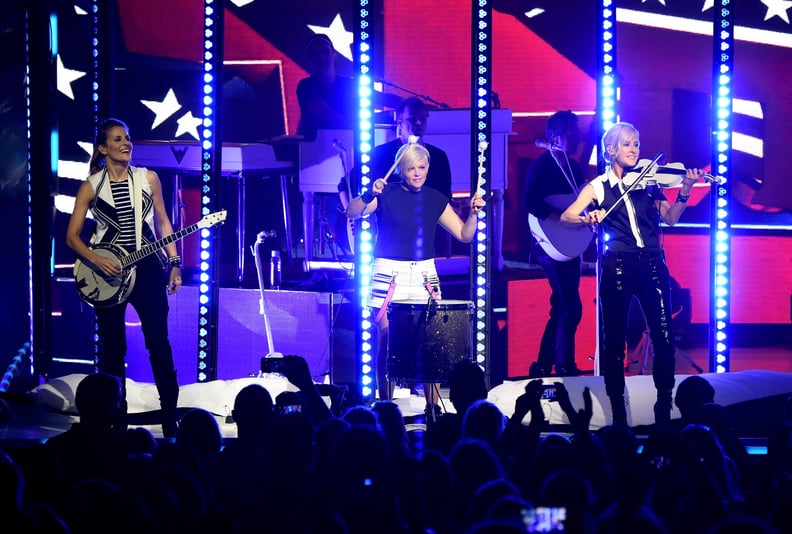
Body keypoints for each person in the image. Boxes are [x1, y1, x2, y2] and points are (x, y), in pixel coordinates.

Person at [560, 121, 703, 429]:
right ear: (611, 150)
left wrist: (685, 191)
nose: (634, 149)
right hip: (618, 267)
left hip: (652, 264)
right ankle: (618, 412)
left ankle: (663, 405)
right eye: (627, 144)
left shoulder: (650, 183)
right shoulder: (599, 185)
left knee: (664, 339)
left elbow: (672, 219)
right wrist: (588, 216)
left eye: (636, 144)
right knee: (614, 343)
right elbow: (567, 215)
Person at [345, 143, 484, 417]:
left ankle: (432, 406)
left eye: (421, 168)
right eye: (411, 168)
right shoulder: (386, 194)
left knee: (431, 340)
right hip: (388, 273)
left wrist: (475, 212)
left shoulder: (435, 198)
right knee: (386, 338)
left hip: (424, 276)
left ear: (428, 168)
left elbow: (465, 235)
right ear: (401, 170)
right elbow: (352, 211)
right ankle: (385, 405)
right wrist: (368, 193)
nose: (417, 173)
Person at [66, 118, 182, 438]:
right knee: (113, 348)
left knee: (158, 342)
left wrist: (174, 263)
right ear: (103, 148)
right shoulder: (91, 185)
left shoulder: (149, 178)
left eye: (128, 138)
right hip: (108, 273)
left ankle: (170, 414)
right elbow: (73, 237)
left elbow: (163, 222)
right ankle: (113, 417)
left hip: (146, 268)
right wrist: (96, 260)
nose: (126, 143)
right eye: (117, 140)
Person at [524, 110, 588, 378]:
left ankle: (542, 364)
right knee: (570, 304)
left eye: (577, 132)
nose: (577, 137)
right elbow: (532, 203)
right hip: (549, 245)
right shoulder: (541, 166)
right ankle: (564, 366)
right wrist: (561, 219)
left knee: (562, 304)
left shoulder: (573, 168)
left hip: (568, 244)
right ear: (554, 137)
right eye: (571, 133)